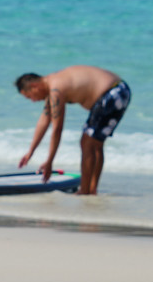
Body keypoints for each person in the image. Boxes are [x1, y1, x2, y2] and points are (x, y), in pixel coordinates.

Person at [16, 65, 131, 195]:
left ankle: (86, 191)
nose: (32, 101)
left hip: (112, 93)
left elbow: (57, 129)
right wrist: (30, 152)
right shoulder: (53, 85)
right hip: (119, 90)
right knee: (95, 144)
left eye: (29, 96)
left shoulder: (55, 90)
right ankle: (91, 190)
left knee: (87, 143)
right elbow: (44, 121)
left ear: (34, 87)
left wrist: (50, 161)